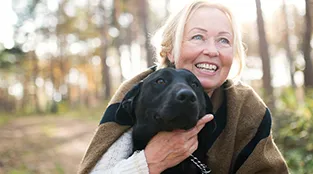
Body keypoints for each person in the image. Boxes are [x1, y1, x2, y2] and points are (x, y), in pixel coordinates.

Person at [78, 1, 289, 174]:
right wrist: (148, 163)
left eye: (223, 40)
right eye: (198, 37)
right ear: (170, 50)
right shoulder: (138, 91)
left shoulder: (247, 108)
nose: (212, 50)